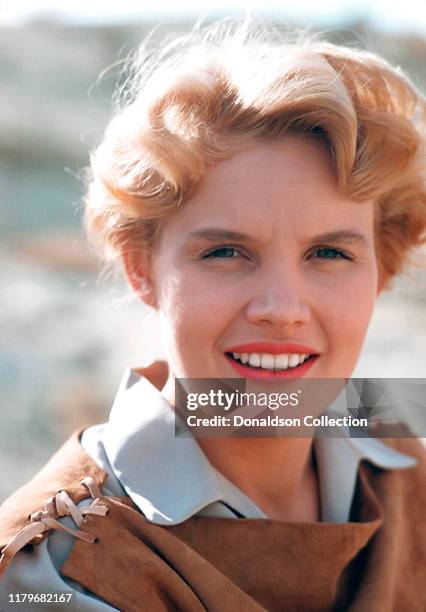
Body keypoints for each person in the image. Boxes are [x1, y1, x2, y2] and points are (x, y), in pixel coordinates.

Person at [1, 20, 425, 611]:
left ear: (382, 266)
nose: (281, 309)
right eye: (225, 252)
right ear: (139, 269)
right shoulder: (60, 564)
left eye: (329, 253)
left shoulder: (402, 451)